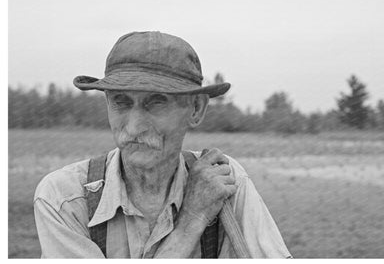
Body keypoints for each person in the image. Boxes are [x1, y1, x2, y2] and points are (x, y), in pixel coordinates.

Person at [33, 31, 292, 258]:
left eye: (155, 102)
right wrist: (192, 221)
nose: (133, 128)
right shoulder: (64, 198)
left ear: (196, 109)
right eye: (121, 102)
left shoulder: (224, 180)